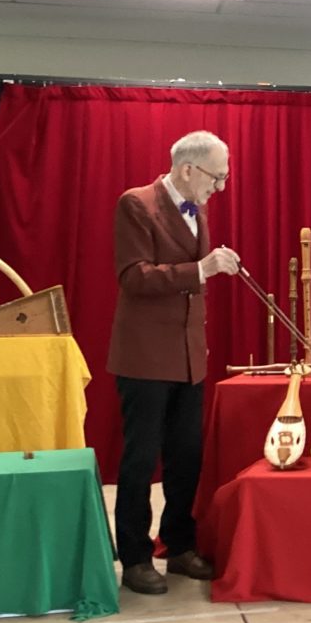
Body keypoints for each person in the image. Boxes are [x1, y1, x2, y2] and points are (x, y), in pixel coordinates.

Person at [107, 130, 241, 595]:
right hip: (144, 358)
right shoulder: (136, 204)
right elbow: (134, 277)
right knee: (141, 460)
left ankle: (179, 546)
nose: (219, 187)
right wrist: (203, 269)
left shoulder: (197, 210)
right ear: (188, 170)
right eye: (216, 176)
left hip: (187, 358)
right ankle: (136, 556)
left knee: (187, 457)